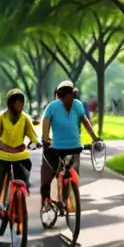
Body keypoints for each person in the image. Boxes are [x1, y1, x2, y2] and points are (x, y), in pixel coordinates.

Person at [40, 80, 100, 209]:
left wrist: (95, 138)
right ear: (61, 95)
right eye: (69, 94)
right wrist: (46, 139)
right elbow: (46, 122)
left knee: (72, 175)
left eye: (72, 94)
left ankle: (67, 200)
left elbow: (85, 121)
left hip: (74, 147)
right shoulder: (52, 107)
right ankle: (48, 202)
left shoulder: (77, 105)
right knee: (49, 174)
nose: (72, 97)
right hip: (57, 147)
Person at [0, 89, 40, 215]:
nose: (21, 105)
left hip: (20, 155)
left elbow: (34, 137)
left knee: (24, 180)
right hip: (2, 154)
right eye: (18, 103)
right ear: (10, 104)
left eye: (22, 102)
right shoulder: (0, 118)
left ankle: (20, 198)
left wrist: (34, 144)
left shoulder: (26, 118)